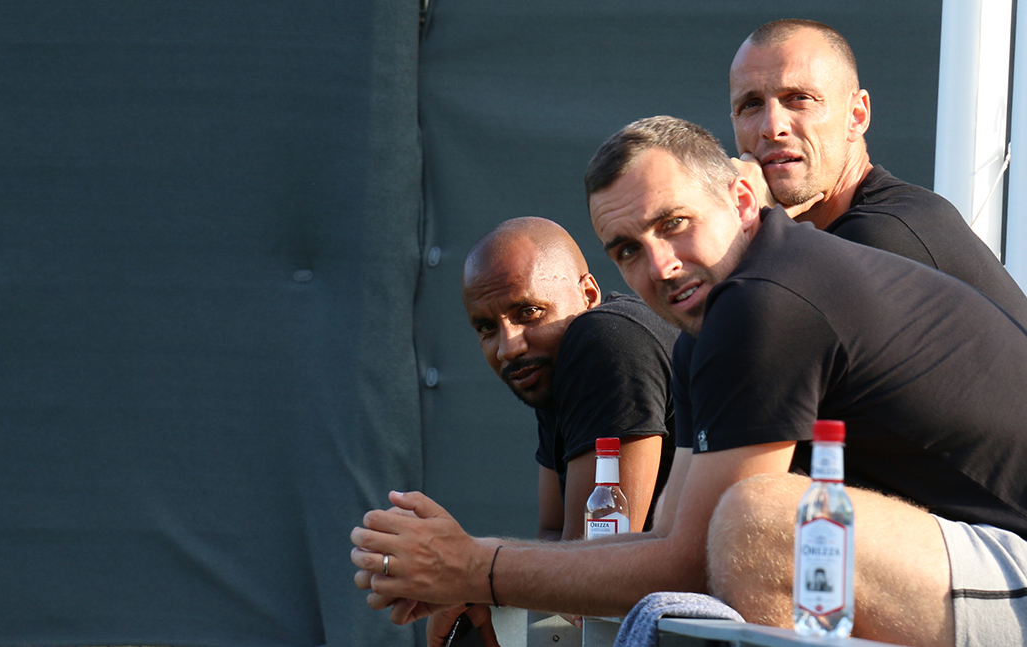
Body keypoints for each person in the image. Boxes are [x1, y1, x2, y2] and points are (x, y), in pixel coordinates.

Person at [351, 117, 1027, 647]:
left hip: (1013, 565)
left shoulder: (767, 300)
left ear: (741, 199)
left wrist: (476, 567)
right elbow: (670, 538)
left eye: (673, 224)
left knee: (766, 523)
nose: (660, 266)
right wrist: (482, 570)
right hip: (965, 563)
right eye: (627, 249)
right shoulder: (704, 333)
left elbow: (694, 562)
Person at [727, 18, 1027, 324]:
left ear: (857, 116)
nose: (772, 127)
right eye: (751, 105)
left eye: (799, 99)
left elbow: (744, 339)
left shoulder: (883, 234)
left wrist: (746, 228)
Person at [461, 216, 678, 541]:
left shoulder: (606, 342)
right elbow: (554, 534)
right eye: (487, 328)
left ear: (588, 295)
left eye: (529, 312)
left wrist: (464, 563)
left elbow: (597, 558)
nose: (509, 348)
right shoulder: (547, 366)